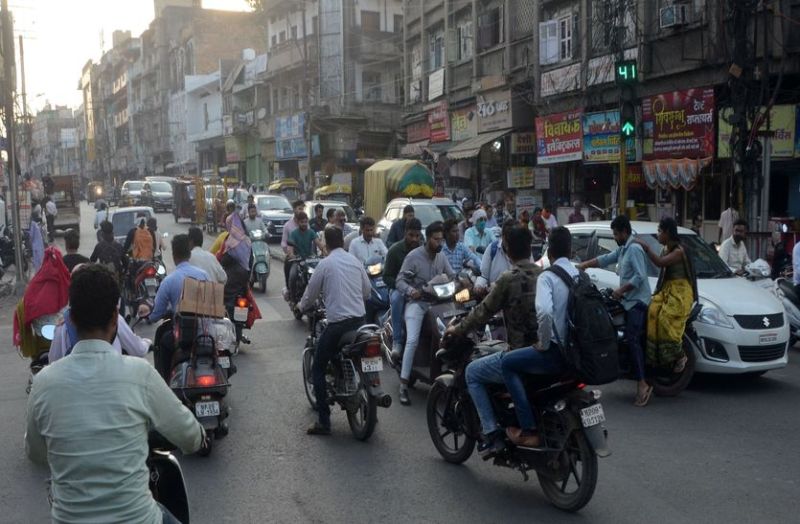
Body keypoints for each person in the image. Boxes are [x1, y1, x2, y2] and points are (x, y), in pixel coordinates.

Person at [26, 264, 204, 523]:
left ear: (71, 319)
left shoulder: (43, 382)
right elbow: (190, 435)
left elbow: (35, 453)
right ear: (114, 319)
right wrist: (200, 438)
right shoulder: (140, 374)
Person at [444, 226, 540, 455]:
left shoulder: (508, 279)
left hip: (519, 353)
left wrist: (457, 329)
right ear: (529, 249)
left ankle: (491, 433)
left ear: (508, 250)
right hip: (544, 352)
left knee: (472, 372)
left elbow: (482, 312)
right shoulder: (544, 275)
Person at [500, 227, 574, 447]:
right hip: (576, 353)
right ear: (570, 250)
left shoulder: (547, 276)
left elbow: (544, 312)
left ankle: (528, 429)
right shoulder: (579, 275)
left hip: (555, 353)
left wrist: (544, 342)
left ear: (549, 251)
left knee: (507, 363)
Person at [299, 227, 371, 435]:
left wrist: (300, 307)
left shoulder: (325, 264)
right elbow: (367, 291)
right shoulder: (355, 261)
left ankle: (324, 422)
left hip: (338, 326)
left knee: (318, 368)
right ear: (342, 241)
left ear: (326, 243)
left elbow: (310, 294)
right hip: (361, 323)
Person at [579, 215, 653, 406]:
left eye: (616, 234)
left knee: (632, 338)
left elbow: (640, 277)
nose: (614, 237)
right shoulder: (623, 249)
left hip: (637, 302)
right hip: (627, 301)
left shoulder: (634, 249)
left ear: (624, 232)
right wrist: (584, 265)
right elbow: (605, 259)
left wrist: (621, 291)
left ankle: (642, 384)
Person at [394, 221, 455, 405]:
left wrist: (463, 280)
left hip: (438, 304)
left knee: (453, 335)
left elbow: (451, 275)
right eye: (436, 239)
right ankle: (403, 385)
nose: (439, 243)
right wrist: (411, 291)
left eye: (441, 239)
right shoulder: (413, 256)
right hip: (417, 303)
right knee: (412, 340)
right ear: (427, 239)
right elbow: (399, 281)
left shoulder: (441, 256)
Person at [139, 234, 210, 381]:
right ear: (189, 254)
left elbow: (155, 314)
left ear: (173, 255)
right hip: (206, 332)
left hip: (182, 336)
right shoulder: (204, 275)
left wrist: (149, 315)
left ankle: (165, 382)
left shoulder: (169, 281)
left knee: (163, 343)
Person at [636, 216, 697, 374]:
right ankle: (656, 357)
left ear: (667, 233)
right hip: (667, 290)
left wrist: (647, 248)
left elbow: (660, 263)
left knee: (665, 318)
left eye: (659, 231)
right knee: (652, 312)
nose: (657, 235)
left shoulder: (678, 251)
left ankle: (680, 355)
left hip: (681, 292)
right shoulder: (665, 249)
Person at [383, 218, 422, 364]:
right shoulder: (395, 251)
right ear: (405, 233)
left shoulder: (424, 250)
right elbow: (387, 277)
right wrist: (403, 287)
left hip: (420, 289)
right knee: (396, 298)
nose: (414, 239)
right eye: (411, 235)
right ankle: (397, 341)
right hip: (398, 289)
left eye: (417, 236)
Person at [475, 219, 516, 293]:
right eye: (507, 240)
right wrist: (479, 286)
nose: (509, 244)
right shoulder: (492, 248)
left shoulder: (523, 250)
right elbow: (484, 276)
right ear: (502, 236)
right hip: (495, 295)